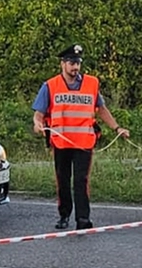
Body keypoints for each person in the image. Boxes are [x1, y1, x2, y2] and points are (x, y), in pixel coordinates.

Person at [32, 43, 129, 230]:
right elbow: (38, 114)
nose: (75, 67)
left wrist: (117, 128)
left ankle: (83, 219)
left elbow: (101, 109)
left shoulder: (91, 84)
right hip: (61, 142)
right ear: (63, 64)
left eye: (77, 63)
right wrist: (38, 124)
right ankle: (64, 215)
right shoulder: (50, 86)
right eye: (71, 63)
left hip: (84, 142)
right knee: (63, 180)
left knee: (81, 181)